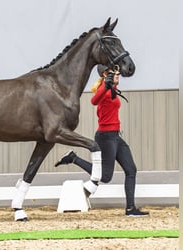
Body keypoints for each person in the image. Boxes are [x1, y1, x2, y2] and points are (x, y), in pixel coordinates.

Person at [55, 64, 149, 217]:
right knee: (105, 177)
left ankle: (130, 209)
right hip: (105, 137)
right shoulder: (103, 90)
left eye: (118, 73)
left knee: (131, 170)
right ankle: (73, 158)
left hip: (116, 137)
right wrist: (105, 86)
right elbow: (94, 101)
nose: (118, 74)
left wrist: (108, 86)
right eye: (114, 73)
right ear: (105, 75)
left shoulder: (111, 90)